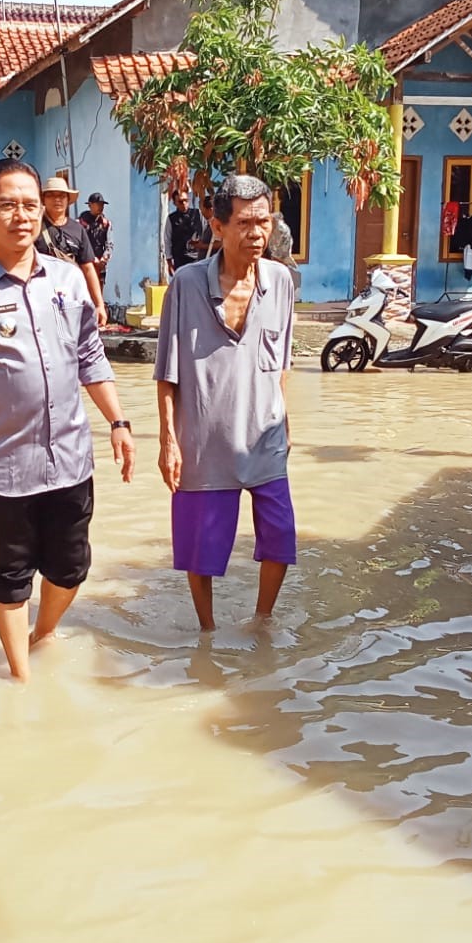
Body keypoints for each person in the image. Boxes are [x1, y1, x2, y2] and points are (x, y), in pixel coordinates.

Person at [0, 158, 136, 682]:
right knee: (9, 577)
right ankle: (20, 680)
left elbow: (89, 355)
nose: (21, 216)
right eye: (7, 205)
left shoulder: (67, 280)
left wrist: (119, 422)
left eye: (30, 205)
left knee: (71, 567)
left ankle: (43, 633)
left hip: (69, 457)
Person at [153, 174, 297, 632]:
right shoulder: (186, 284)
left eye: (265, 221)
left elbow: (283, 361)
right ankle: (208, 632)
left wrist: (286, 421)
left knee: (280, 537)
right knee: (202, 548)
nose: (257, 233)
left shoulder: (282, 282)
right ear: (218, 226)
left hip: (265, 435)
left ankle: (261, 620)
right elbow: (166, 369)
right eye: (245, 223)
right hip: (204, 438)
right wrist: (168, 440)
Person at [35, 176, 107, 326]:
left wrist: (99, 304)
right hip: (40, 301)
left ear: (68, 199)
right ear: (43, 199)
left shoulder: (77, 229)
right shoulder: (34, 227)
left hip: (71, 301)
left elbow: (88, 268)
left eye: (62, 195)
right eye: (51, 195)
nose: (57, 200)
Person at [78, 191, 113, 303]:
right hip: (84, 263)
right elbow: (80, 243)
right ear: (90, 205)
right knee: (84, 293)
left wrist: (104, 258)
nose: (100, 207)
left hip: (100, 265)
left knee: (98, 295)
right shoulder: (80, 223)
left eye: (102, 205)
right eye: (98, 204)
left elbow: (109, 244)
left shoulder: (106, 223)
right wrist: (92, 258)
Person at [163, 188, 200, 275]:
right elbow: (167, 240)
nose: (184, 203)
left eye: (186, 200)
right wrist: (169, 263)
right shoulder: (171, 219)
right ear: (174, 203)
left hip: (197, 259)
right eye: (180, 201)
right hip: (180, 260)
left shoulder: (197, 214)